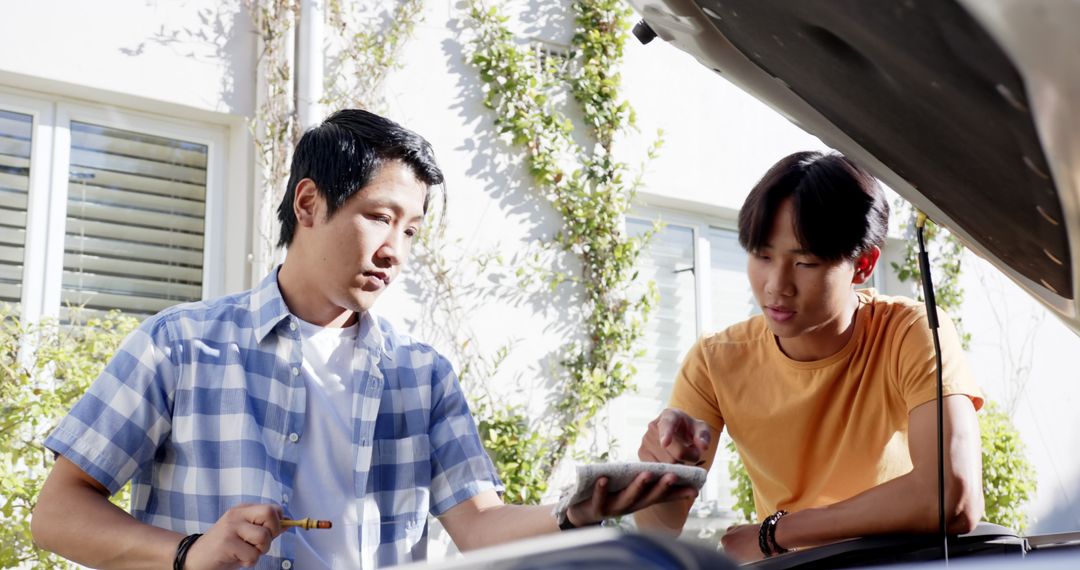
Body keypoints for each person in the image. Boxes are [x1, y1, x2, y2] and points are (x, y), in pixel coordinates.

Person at [31, 109, 696, 570]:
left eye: (411, 231)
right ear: (309, 204)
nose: (394, 250)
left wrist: (577, 512)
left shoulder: (422, 375)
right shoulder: (180, 347)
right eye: (379, 217)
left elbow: (478, 527)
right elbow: (56, 514)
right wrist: (185, 553)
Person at [634, 151, 985, 562]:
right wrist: (661, 474)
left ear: (864, 264)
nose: (776, 286)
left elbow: (952, 497)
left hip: (895, 564)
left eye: (805, 262)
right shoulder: (716, 360)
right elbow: (660, 527)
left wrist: (775, 533)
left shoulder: (910, 332)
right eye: (762, 256)